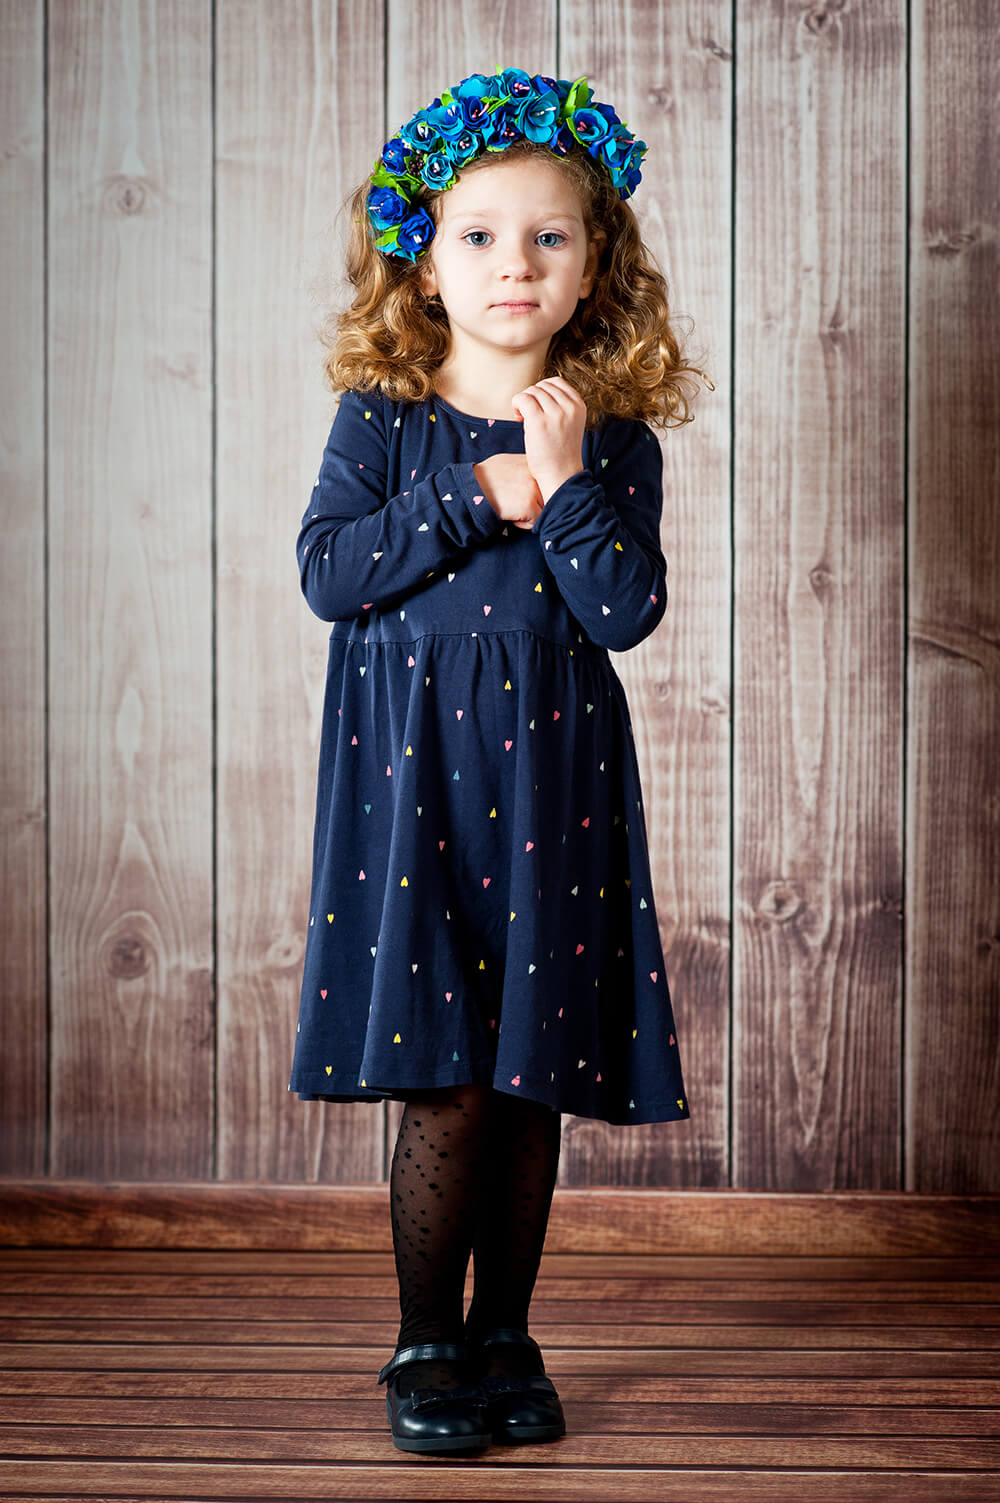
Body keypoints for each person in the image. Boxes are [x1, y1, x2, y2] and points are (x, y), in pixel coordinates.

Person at [289, 67, 711, 1456]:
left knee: (529, 1075)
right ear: (423, 263)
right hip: (410, 796)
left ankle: (508, 1336)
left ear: (594, 271)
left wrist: (569, 482)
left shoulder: (611, 434)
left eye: (548, 237)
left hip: (553, 793)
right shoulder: (385, 419)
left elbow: (625, 610)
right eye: (478, 236)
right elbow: (330, 572)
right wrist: (481, 492)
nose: (512, 265)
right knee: (445, 1078)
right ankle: (424, 1342)